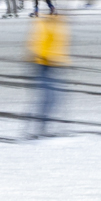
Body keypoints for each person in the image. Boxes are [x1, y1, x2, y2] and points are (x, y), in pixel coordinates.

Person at [28, 9, 69, 137]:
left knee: (53, 98)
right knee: (48, 99)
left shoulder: (58, 25)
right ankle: (39, 129)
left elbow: (59, 46)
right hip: (44, 65)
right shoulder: (45, 25)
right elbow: (38, 45)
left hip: (51, 65)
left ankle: (42, 128)